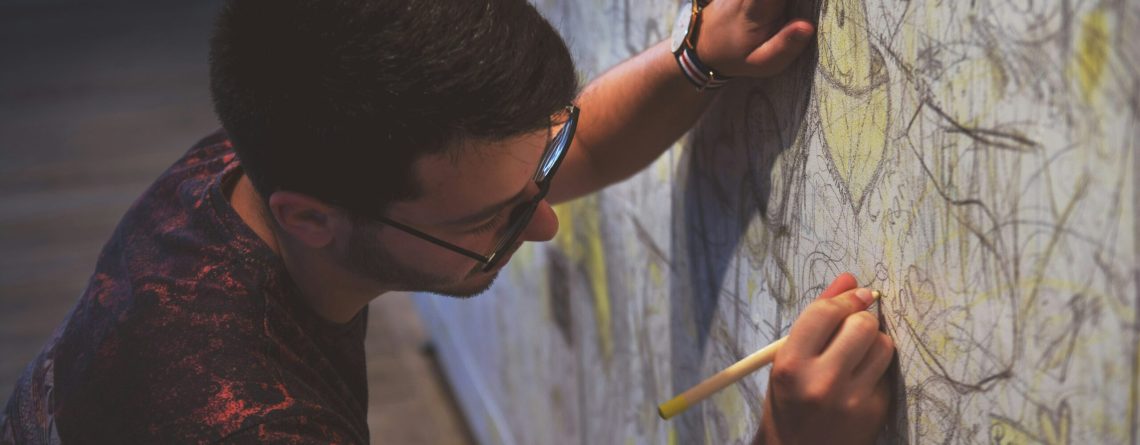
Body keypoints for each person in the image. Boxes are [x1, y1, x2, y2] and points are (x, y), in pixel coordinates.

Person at [1, 0, 893, 443]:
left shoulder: (283, 144)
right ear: (312, 218)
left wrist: (698, 57)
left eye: (535, 174)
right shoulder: (248, 420)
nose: (544, 225)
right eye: (494, 220)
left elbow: (559, 150)